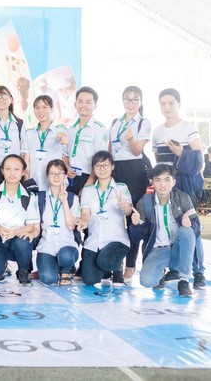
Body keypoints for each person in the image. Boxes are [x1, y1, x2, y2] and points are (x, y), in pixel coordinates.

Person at [152, 88, 205, 289]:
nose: (167, 107)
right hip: (165, 187)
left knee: (190, 227)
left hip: (183, 184)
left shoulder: (188, 128)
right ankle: (173, 268)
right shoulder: (157, 132)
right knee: (166, 225)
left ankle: (198, 272)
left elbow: (198, 160)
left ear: (179, 104)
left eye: (171, 103)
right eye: (163, 103)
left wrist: (181, 152)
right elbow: (159, 163)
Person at [129, 164, 198, 297]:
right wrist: (136, 225)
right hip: (158, 250)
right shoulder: (144, 203)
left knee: (186, 231)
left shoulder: (183, 198)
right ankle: (161, 273)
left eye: (167, 180)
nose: (162, 185)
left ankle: (183, 280)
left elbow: (196, 231)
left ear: (173, 182)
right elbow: (136, 238)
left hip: (178, 249)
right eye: (158, 180)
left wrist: (190, 225)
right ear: (152, 182)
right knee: (147, 281)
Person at [109, 86, 152, 280]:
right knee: (115, 216)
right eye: (127, 98)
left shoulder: (143, 122)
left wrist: (132, 139)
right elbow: (110, 149)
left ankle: (131, 263)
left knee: (134, 218)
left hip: (135, 171)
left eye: (135, 99)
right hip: (116, 170)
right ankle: (114, 262)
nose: (131, 103)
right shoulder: (116, 123)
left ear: (140, 102)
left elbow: (136, 151)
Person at [78, 151, 132, 286]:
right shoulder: (87, 191)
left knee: (105, 261)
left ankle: (116, 267)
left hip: (116, 240)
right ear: (93, 169)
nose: (102, 169)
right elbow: (85, 213)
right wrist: (83, 222)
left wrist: (124, 206)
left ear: (112, 166)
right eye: (98, 166)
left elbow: (128, 211)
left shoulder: (121, 188)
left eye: (106, 165)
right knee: (89, 280)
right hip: (94, 241)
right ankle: (105, 270)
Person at [0, 155, 40, 285]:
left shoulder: (29, 196)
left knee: (23, 242)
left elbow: (31, 226)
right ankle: (1, 265)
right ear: (2, 171)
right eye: (8, 169)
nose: (12, 173)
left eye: (16, 169)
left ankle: (23, 270)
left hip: (19, 235)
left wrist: (15, 232)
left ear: (23, 172)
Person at [35, 160, 81, 285]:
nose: (56, 177)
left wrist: (64, 201)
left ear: (65, 175)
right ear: (47, 176)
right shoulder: (40, 198)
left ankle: (65, 270)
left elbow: (71, 225)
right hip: (46, 245)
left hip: (66, 244)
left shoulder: (72, 198)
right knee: (48, 279)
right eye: (52, 173)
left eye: (60, 173)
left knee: (66, 256)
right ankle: (53, 265)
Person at [63, 86, 109, 195]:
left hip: (89, 178)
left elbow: (100, 161)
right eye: (80, 101)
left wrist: (87, 186)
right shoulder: (71, 129)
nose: (83, 105)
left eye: (88, 102)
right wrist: (66, 167)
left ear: (95, 105)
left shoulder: (99, 129)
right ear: (75, 104)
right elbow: (65, 155)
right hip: (70, 178)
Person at [22, 95, 68, 192]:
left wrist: (62, 138)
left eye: (44, 107)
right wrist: (27, 182)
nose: (40, 111)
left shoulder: (59, 129)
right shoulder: (29, 133)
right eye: (37, 108)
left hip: (55, 184)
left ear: (51, 109)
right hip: (33, 183)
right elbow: (26, 161)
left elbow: (63, 137)